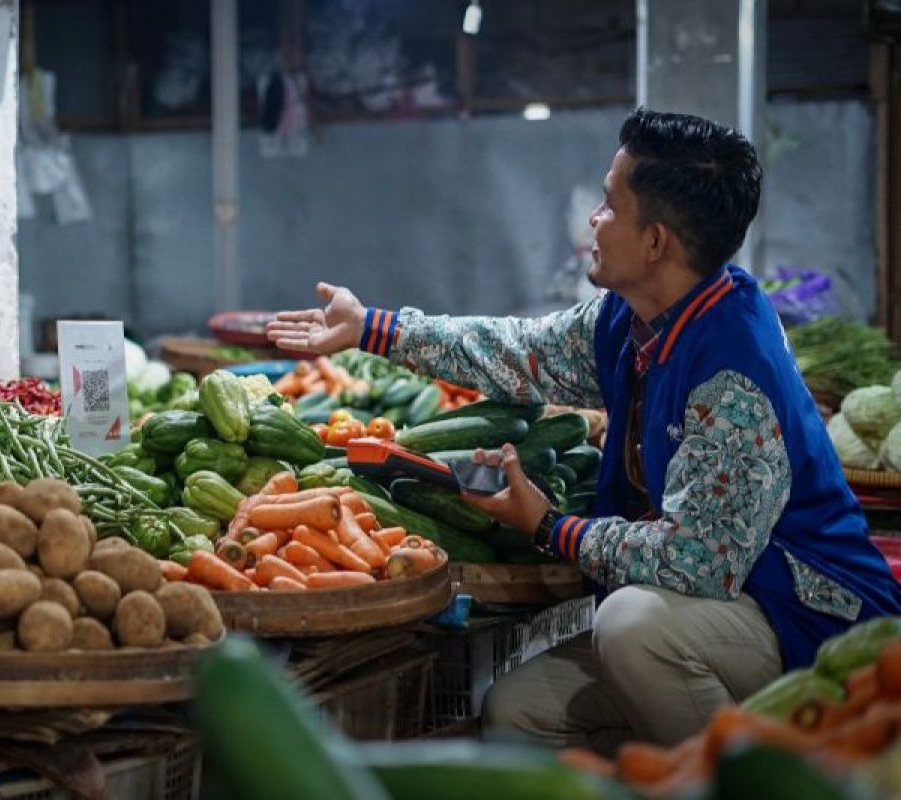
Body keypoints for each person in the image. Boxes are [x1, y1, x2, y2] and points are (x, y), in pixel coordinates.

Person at [267, 107, 901, 754]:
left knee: (630, 627)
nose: (594, 220)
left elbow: (698, 565)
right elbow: (518, 351)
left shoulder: (732, 374)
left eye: (607, 204)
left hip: (808, 620)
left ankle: (759, 782)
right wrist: (372, 327)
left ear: (655, 242)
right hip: (723, 611)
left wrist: (549, 525)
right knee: (521, 712)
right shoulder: (633, 320)